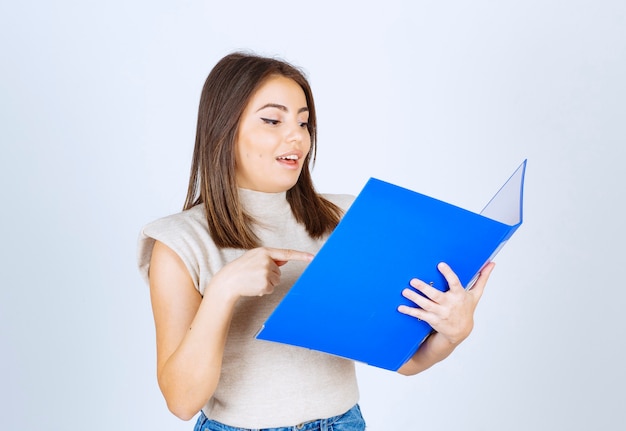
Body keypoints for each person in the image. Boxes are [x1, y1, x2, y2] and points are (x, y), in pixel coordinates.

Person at [137, 52, 495, 431]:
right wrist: (223, 290)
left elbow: (405, 360)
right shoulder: (179, 242)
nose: (297, 136)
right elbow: (181, 401)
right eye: (273, 120)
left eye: (304, 122)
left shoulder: (349, 217)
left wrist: (452, 333)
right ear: (223, 129)